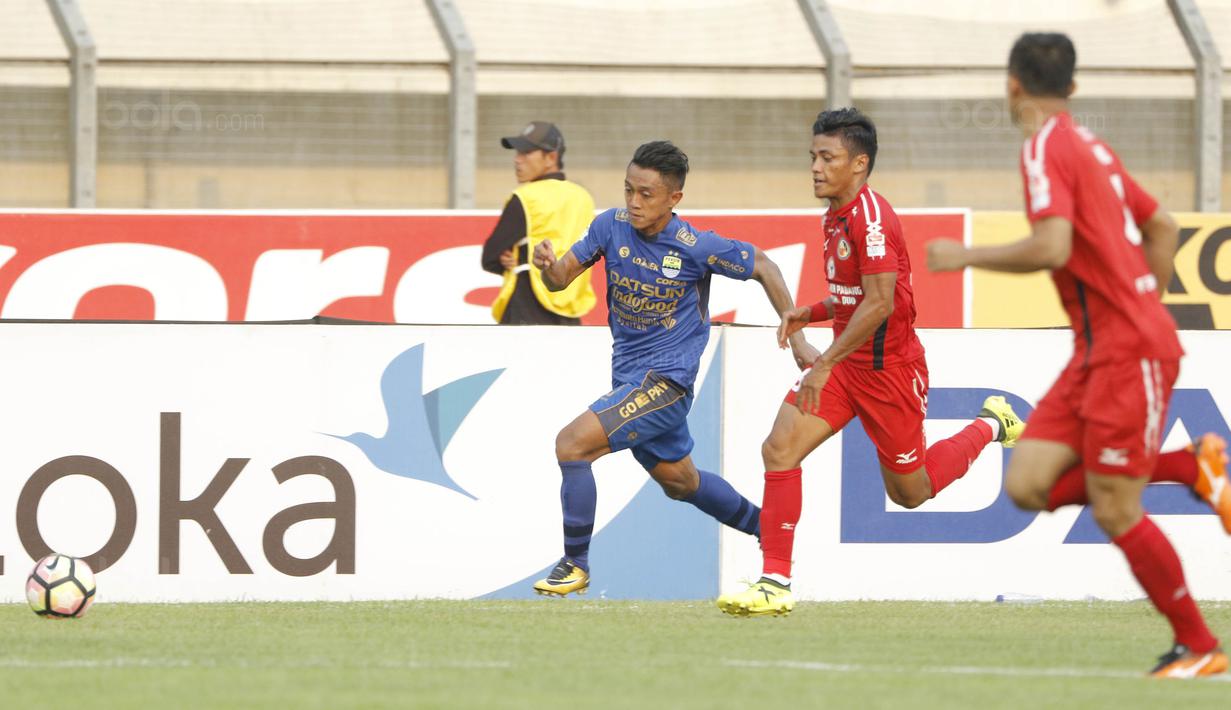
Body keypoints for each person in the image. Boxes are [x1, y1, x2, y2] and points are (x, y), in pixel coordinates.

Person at [926, 32, 1230, 678]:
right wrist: (1143, 298)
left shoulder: (1042, 148)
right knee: (1026, 484)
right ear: (1071, 86)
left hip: (1125, 351)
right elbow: (1163, 227)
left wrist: (965, 257)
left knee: (1114, 506)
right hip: (1098, 350)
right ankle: (1190, 466)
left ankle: (1200, 646)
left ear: (1011, 84)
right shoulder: (1090, 144)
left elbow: (1053, 246)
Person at [715, 107, 1024, 617]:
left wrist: (823, 361)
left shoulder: (872, 220)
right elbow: (858, 296)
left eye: (826, 157)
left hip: (890, 376)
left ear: (858, 164)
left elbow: (880, 304)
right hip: (846, 371)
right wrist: (811, 311)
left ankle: (993, 424)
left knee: (910, 492)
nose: (814, 166)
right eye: (812, 155)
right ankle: (775, 582)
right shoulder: (834, 212)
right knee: (779, 449)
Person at [529, 140, 815, 596]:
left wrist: (797, 336)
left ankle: (575, 565)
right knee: (681, 482)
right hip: (629, 382)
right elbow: (561, 279)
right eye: (628, 190)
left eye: (646, 194)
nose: (633, 202)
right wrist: (546, 266)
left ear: (673, 199)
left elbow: (763, 264)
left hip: (666, 384)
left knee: (572, 444)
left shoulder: (696, 247)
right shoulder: (609, 227)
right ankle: (770, 532)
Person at [481, 121, 596, 325]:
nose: (517, 160)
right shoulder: (584, 198)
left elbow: (489, 257)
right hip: (570, 315)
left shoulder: (525, 198)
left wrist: (505, 259)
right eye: (517, 153)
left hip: (526, 309)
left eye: (526, 153)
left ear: (551, 157)